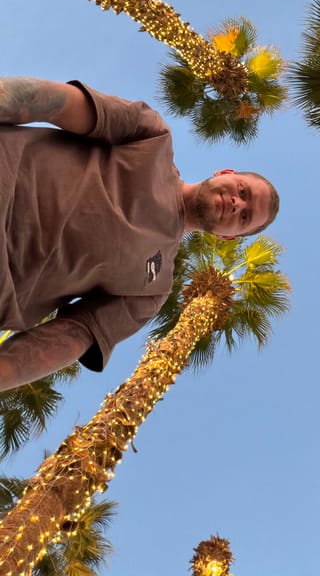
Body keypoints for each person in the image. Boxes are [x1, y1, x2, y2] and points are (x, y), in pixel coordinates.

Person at [0, 77, 279, 391]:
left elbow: (75, 333)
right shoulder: (153, 137)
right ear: (225, 173)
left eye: (244, 216)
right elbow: (59, 103)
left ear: (229, 237)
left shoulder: (152, 290)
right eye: (243, 190)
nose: (236, 202)